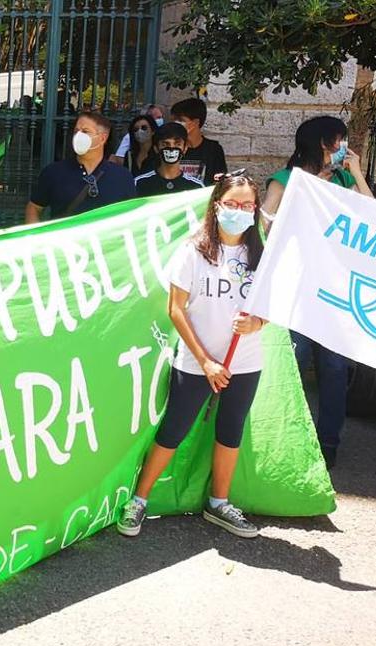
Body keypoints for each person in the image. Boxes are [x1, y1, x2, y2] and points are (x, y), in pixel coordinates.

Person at [117, 172, 268, 539]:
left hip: (245, 362)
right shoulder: (194, 251)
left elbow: (269, 305)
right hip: (197, 362)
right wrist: (205, 361)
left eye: (247, 205)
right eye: (232, 204)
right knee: (174, 430)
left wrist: (258, 323)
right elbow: (176, 310)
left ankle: (219, 503)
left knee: (230, 432)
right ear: (217, 204)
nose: (239, 211)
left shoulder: (261, 255)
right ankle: (139, 500)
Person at [261, 115, 373, 466]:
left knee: (335, 370)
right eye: (336, 141)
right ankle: (279, 438)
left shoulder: (342, 178)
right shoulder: (286, 180)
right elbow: (264, 224)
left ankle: (328, 445)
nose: (341, 148)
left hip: (335, 292)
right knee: (291, 365)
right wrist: (306, 191)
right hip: (295, 289)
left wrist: (355, 173)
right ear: (320, 144)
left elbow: (371, 214)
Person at [24, 111, 135, 222]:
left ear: (102, 138)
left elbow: (131, 217)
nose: (78, 136)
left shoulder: (122, 177)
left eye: (85, 132)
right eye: (76, 131)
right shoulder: (53, 172)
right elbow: (33, 208)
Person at [134, 121, 206, 197]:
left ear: (185, 149)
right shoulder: (139, 183)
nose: (171, 148)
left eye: (177, 144)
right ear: (156, 149)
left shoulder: (197, 187)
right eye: (165, 144)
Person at [170, 97, 227, 185]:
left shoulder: (213, 150)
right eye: (173, 120)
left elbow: (220, 181)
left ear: (196, 122)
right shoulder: (170, 147)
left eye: (181, 120)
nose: (175, 123)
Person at [122, 114, 159, 178]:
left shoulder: (159, 153)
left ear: (153, 131)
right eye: (136, 129)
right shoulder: (129, 155)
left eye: (144, 128)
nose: (140, 131)